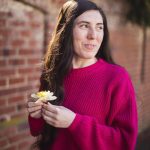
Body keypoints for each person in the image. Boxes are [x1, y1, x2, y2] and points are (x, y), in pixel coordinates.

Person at [27, 0, 138, 150]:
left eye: (99, 28)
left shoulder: (117, 78)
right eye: (84, 26)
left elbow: (125, 142)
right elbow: (39, 131)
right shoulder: (52, 72)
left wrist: (75, 122)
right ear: (66, 30)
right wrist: (36, 116)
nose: (93, 35)